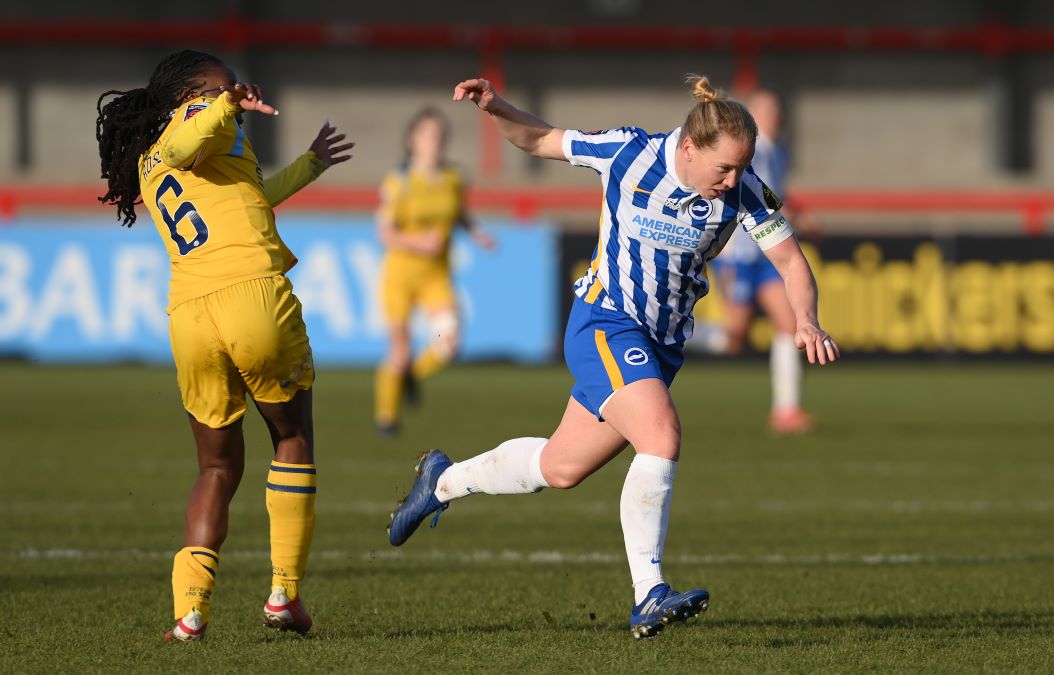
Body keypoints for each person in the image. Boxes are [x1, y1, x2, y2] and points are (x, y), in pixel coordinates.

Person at [386, 74, 839, 640]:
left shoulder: (747, 189)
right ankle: (649, 592)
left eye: (742, 168)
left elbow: (792, 264)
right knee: (661, 436)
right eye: (723, 168)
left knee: (560, 467)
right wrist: (496, 105)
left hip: (661, 346)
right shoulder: (628, 151)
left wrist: (806, 318)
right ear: (689, 148)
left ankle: (444, 480)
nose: (733, 180)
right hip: (605, 322)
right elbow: (541, 140)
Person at [95, 49, 353, 641]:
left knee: (215, 466)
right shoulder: (194, 129)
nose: (234, 93)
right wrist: (222, 106)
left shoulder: (153, 158)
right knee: (291, 437)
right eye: (221, 85)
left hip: (190, 316)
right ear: (188, 97)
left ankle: (190, 613)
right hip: (252, 299)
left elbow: (251, 197)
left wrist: (309, 164)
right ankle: (283, 594)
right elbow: (191, 138)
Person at [374, 108, 495, 437]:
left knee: (449, 344)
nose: (435, 142)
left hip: (436, 275)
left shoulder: (455, 177)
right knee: (398, 349)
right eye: (428, 135)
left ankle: (411, 374)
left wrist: (476, 232)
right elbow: (385, 232)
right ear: (412, 140)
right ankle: (386, 418)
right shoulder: (399, 181)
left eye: (440, 135)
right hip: (400, 273)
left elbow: (461, 213)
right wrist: (418, 242)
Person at [711, 89, 812, 434]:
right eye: (766, 110)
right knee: (734, 337)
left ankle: (786, 409)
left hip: (766, 256)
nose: (774, 116)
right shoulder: (745, 150)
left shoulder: (776, 151)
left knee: (788, 324)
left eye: (776, 109)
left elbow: (772, 195)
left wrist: (798, 215)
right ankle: (670, 332)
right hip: (738, 255)